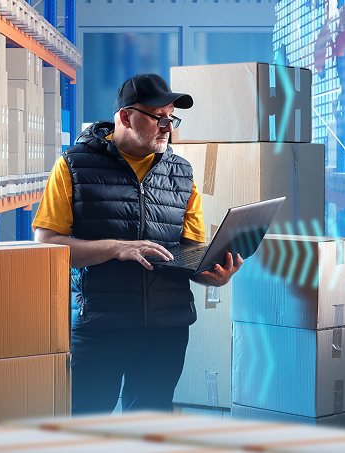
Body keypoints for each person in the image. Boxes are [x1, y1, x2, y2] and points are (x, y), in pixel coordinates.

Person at [33, 74, 243, 414]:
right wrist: (117, 247)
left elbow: (190, 252)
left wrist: (213, 273)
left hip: (166, 329)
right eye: (157, 117)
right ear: (126, 117)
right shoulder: (74, 166)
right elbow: (47, 245)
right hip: (101, 326)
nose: (167, 126)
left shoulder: (182, 173)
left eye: (171, 118)